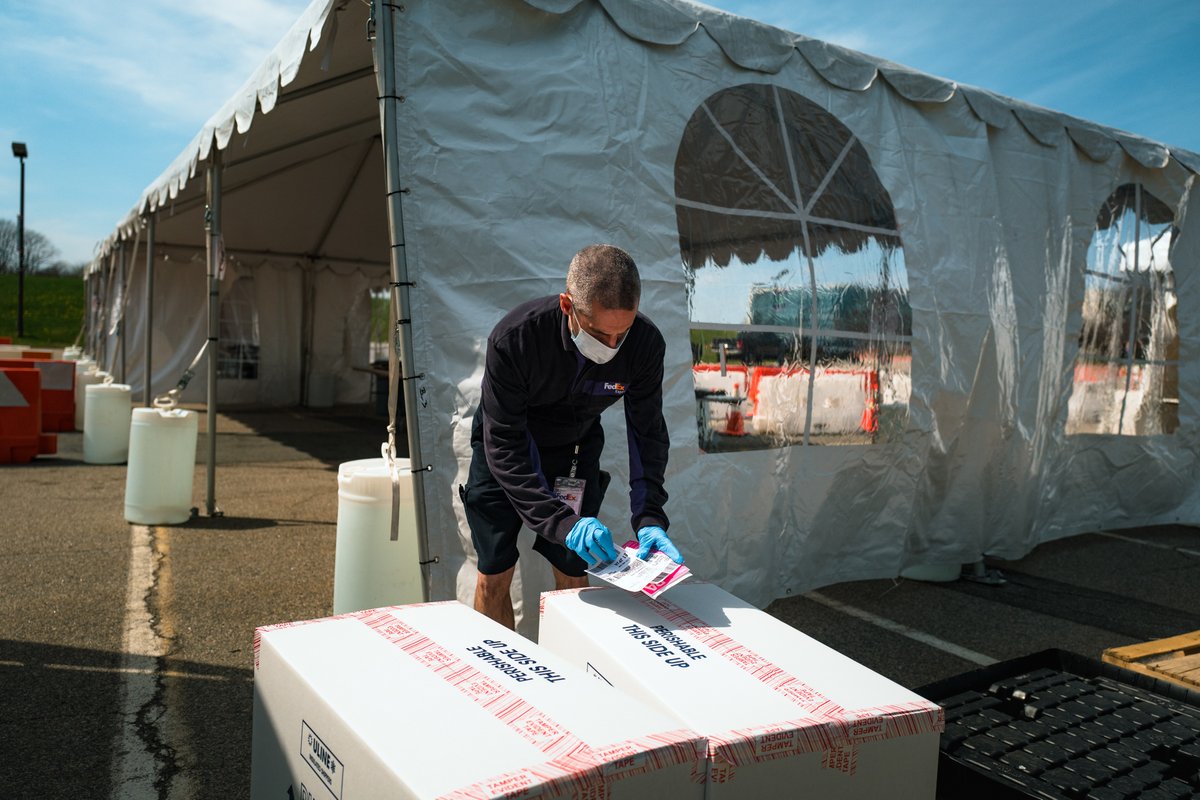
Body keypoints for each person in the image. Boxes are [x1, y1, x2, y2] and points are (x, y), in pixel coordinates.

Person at [460, 244, 683, 629]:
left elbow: (647, 433)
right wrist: (561, 523)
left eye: (622, 334)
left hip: (575, 449)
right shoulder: (515, 339)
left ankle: (573, 673)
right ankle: (501, 673)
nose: (611, 348)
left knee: (573, 567)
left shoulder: (645, 345)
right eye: (599, 333)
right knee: (494, 569)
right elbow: (505, 446)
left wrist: (649, 516)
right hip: (507, 444)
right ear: (568, 306)